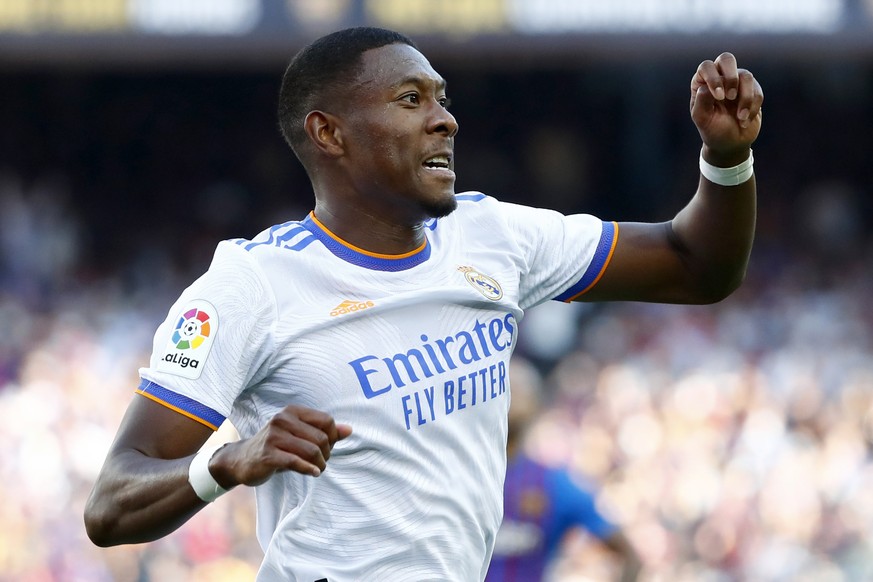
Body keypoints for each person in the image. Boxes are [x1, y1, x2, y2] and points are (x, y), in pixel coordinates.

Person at [84, 26, 762, 581]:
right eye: (410, 99)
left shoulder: (491, 235)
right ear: (329, 133)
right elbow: (112, 503)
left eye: (441, 98)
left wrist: (724, 159)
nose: (446, 120)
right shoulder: (249, 287)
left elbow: (694, 266)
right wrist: (225, 461)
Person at [486, 358, 642, 582]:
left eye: (515, 392)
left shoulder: (553, 485)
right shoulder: (456, 474)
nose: (509, 403)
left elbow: (628, 555)